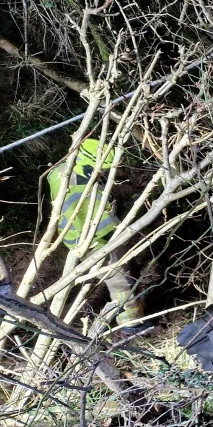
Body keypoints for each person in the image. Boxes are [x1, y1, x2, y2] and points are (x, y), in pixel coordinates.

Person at [47, 138, 147, 331]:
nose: (105, 173)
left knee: (121, 273)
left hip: (74, 237)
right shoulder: (85, 182)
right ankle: (132, 323)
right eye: (104, 169)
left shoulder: (59, 172)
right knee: (120, 280)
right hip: (96, 240)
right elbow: (100, 216)